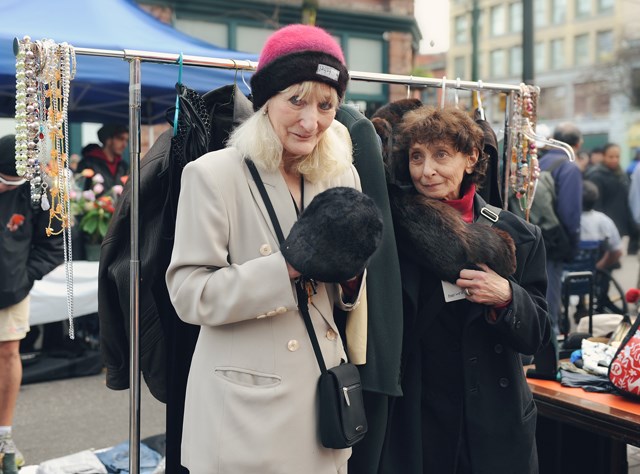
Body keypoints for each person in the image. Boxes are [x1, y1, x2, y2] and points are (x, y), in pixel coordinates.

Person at [166, 25, 367, 473]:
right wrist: (290, 267)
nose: (310, 120)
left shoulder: (342, 175)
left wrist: (351, 275)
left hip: (321, 405)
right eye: (296, 100)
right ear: (265, 101)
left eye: (326, 104)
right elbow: (189, 294)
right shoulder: (213, 175)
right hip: (243, 416)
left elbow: (343, 300)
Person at [379, 106, 550, 473]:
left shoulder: (519, 234)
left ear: (471, 158)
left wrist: (507, 297)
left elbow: (539, 334)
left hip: (495, 420)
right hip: (420, 414)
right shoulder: (394, 230)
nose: (427, 171)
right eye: (416, 157)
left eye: (441, 155)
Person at [0, 135, 63, 471]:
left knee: (9, 353)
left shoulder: (37, 190)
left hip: (12, 290)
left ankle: (4, 434)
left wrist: (24, 278)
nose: (6, 188)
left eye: (12, 183)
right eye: (2, 181)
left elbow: (53, 245)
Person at [539, 122, 583, 337]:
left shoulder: (539, 161)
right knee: (550, 295)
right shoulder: (569, 166)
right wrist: (571, 243)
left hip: (532, 235)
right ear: (578, 144)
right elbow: (570, 213)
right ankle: (548, 352)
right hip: (553, 239)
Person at [586, 142, 639, 254]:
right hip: (605, 229)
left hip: (619, 227)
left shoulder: (620, 175)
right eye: (611, 157)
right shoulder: (596, 176)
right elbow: (596, 205)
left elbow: (626, 202)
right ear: (604, 156)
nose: (614, 160)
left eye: (617, 157)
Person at [581, 180, 623, 271]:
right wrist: (598, 266)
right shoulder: (604, 220)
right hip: (595, 276)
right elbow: (617, 252)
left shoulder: (566, 218)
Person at [76, 123, 129, 192]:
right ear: (108, 139)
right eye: (120, 139)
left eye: (126, 140)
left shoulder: (123, 166)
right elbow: (79, 189)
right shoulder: (88, 163)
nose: (124, 145)